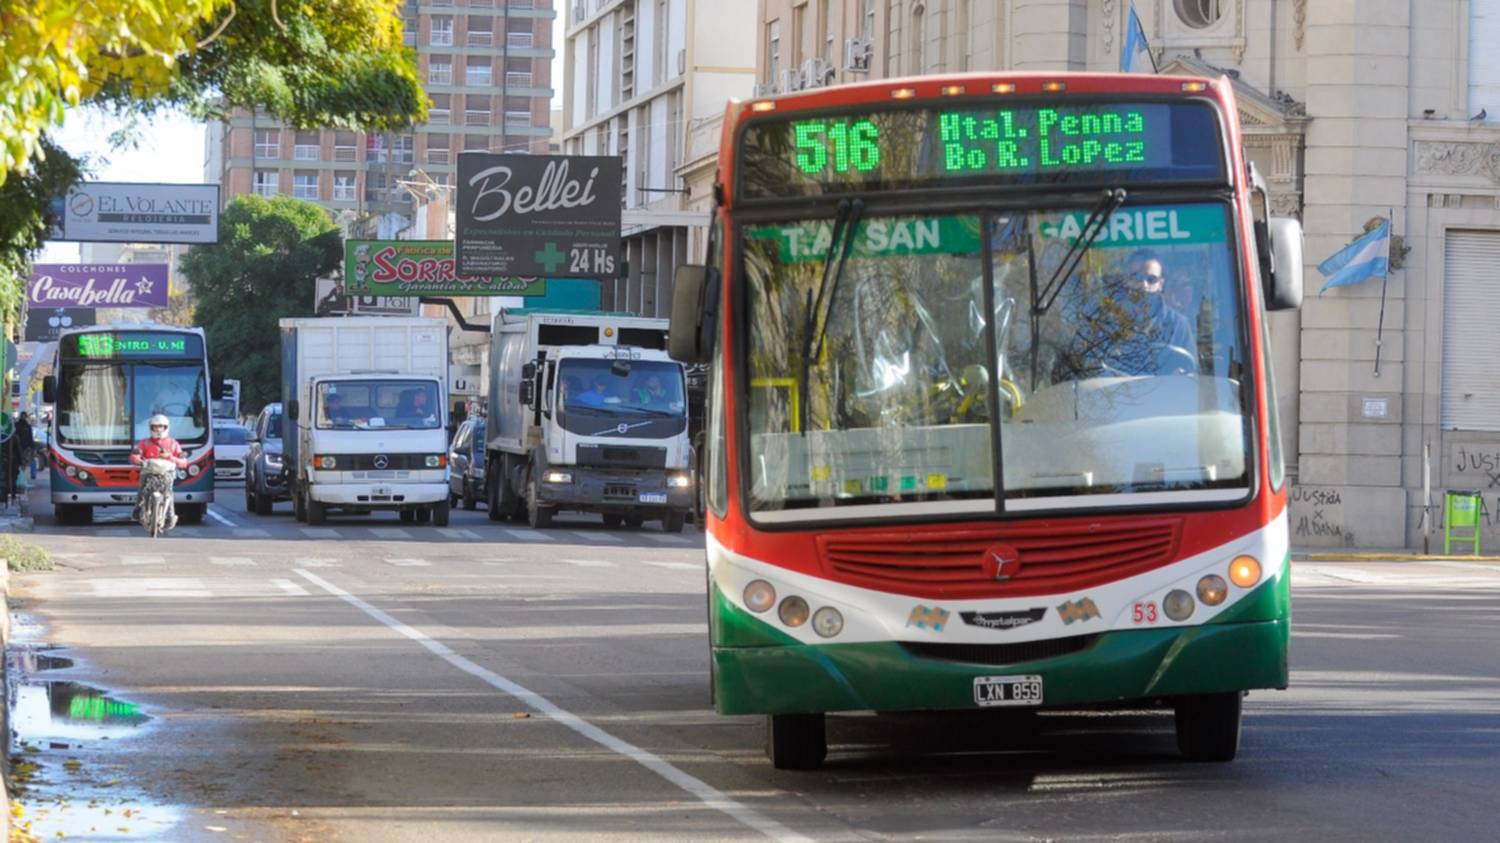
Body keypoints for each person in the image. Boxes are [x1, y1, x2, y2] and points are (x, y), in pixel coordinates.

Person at [1074, 249, 1197, 377]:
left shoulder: (1179, 325)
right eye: (1136, 277)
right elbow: (1087, 368)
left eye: (1152, 279)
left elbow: (1191, 374)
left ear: (1161, 284)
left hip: (1165, 395)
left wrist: (1182, 375)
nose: (1144, 285)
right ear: (1126, 280)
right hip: (1114, 394)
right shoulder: (1103, 323)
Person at [130, 414, 188, 531]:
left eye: (161, 427)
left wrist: (170, 457)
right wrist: (138, 460)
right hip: (148, 472)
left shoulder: (173, 443)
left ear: (166, 427)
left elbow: (183, 462)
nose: (158, 430)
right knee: (142, 489)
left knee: (169, 493)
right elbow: (135, 455)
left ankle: (171, 516)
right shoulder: (145, 443)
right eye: (155, 427)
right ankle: (137, 510)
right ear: (150, 428)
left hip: (167, 474)